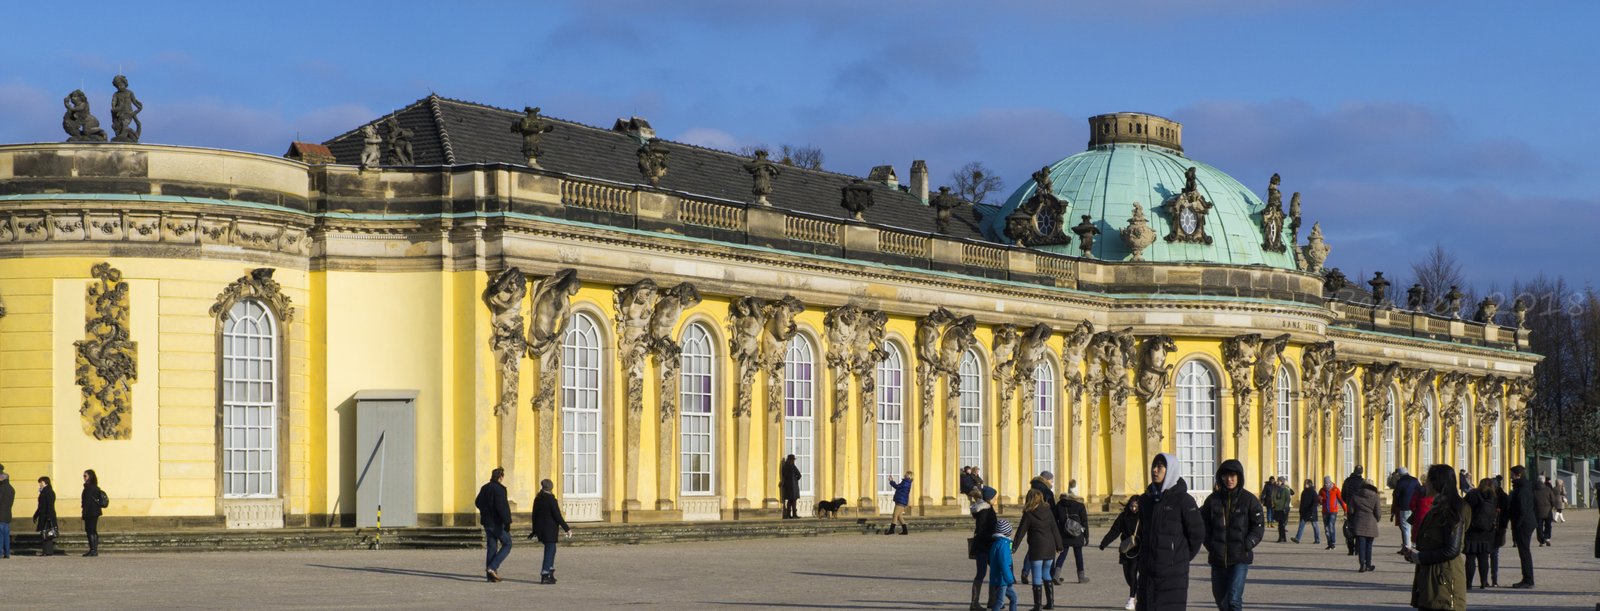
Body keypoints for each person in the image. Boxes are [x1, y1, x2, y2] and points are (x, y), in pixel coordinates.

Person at [1134, 452, 1204, 611]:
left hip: (1173, 576)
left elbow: (1197, 534)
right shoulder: (1146, 500)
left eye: (1160, 467)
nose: (1155, 471)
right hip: (1147, 572)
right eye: (1154, 466)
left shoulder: (1184, 500)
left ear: (1170, 470)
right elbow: (1143, 532)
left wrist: (1178, 558)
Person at [1200, 459, 1265, 611]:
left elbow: (1258, 526)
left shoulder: (1249, 500)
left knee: (1234, 599)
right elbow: (1202, 524)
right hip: (1218, 558)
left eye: (1232, 476)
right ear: (1221, 478)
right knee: (1221, 600)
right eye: (1226, 476)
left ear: (1239, 477)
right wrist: (1210, 544)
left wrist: (1248, 544)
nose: (1229, 479)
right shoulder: (1212, 500)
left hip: (1239, 558)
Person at [1406, 464, 1468, 611]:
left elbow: (1452, 550)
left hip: (1443, 580)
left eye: (1428, 480)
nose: (1425, 484)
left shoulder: (1453, 510)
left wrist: (1420, 557)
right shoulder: (1436, 508)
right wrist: (1413, 554)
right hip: (1430, 578)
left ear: (1436, 483)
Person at [1014, 489, 1063, 611]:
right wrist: (1059, 546)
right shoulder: (1048, 511)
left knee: (1036, 575)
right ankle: (1050, 603)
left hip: (1037, 548)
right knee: (1046, 573)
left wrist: (1013, 547)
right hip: (1050, 547)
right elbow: (1054, 529)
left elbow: (1021, 532)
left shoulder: (1028, 513)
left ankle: (1038, 605)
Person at [1098, 495, 1142, 611]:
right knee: (1128, 576)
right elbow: (1115, 530)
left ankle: (1132, 599)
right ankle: (1139, 591)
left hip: (1139, 550)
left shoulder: (1143, 517)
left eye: (1136, 507)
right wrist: (1104, 543)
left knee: (1133, 573)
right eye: (1132, 506)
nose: (1133, 509)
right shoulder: (1124, 516)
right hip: (1126, 549)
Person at [528, 478, 571, 584]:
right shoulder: (551, 500)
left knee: (552, 549)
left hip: (541, 529)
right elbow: (558, 516)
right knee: (549, 550)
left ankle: (550, 571)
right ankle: (545, 573)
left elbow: (534, 515)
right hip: (550, 530)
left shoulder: (538, 498)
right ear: (551, 488)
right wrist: (567, 528)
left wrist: (534, 530)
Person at [474, 467, 512, 582]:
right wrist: (507, 521)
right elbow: (502, 507)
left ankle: (490, 577)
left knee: (492, 547)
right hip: (497, 523)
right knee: (507, 543)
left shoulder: (485, 487)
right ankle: (492, 567)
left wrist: (485, 511)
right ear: (501, 477)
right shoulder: (499, 489)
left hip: (487, 522)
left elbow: (477, 502)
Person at [1502, 465, 1537, 588]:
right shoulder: (1524, 486)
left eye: (1511, 475)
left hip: (1523, 524)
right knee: (1524, 551)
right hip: (1527, 522)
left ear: (1517, 475)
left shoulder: (1521, 489)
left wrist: (1517, 524)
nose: (1510, 477)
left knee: (1524, 552)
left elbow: (1522, 509)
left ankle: (1528, 580)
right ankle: (1527, 579)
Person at [1462, 478, 1498, 589]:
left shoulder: (1472, 495)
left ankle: (1468, 583)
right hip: (1486, 532)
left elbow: (1463, 509)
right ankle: (1483, 582)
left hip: (1472, 530)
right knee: (1483, 558)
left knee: (1470, 558)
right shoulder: (1494, 497)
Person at [969, 486, 999, 611]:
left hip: (984, 545)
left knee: (988, 572)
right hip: (985, 545)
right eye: (995, 497)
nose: (996, 499)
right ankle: (978, 603)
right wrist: (994, 537)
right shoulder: (986, 510)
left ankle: (991, 601)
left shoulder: (986, 508)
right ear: (989, 498)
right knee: (986, 573)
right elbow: (981, 530)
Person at [1053, 484, 1089, 585]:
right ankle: (1081, 577)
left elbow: (1054, 520)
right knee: (1078, 555)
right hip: (1077, 533)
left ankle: (1056, 575)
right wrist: (1086, 536)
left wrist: (1057, 533)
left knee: (1062, 554)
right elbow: (1084, 521)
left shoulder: (1060, 504)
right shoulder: (1080, 505)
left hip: (1063, 533)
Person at [1349, 479, 1381, 572]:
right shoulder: (1375, 496)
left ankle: (1362, 564)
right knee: (1369, 545)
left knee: (1361, 545)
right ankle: (1368, 565)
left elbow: (1351, 510)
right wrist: (1377, 519)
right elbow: (1378, 512)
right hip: (1371, 522)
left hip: (1359, 522)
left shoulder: (1356, 495)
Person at [989, 519, 1019, 611]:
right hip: (1003, 579)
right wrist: (1010, 579)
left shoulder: (997, 543)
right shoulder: (1003, 544)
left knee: (1013, 598)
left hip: (1000, 578)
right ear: (1006, 532)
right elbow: (1003, 563)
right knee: (1000, 601)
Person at [1391, 467, 1421, 553]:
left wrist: (1395, 506)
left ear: (1399, 474)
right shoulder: (1415, 480)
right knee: (1413, 526)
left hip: (1404, 507)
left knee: (1406, 527)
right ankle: (1414, 543)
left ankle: (1407, 546)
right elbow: (1419, 491)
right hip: (1415, 506)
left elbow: (1396, 495)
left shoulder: (1400, 482)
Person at [1341, 466, 1366, 556]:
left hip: (1350, 507)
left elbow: (1343, 494)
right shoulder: (1362, 482)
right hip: (1359, 508)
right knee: (1359, 528)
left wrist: (1347, 502)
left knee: (1350, 528)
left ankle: (1351, 549)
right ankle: (1358, 549)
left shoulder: (1347, 481)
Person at [1490, 475, 1509, 587]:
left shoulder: (1502, 497)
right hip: (1490, 528)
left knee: (1493, 554)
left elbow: (1506, 513)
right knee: (1491, 554)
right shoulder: (1489, 496)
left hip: (1497, 528)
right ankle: (1488, 579)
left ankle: (1494, 579)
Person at [1408, 478, 1434, 551]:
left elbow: (1412, 504)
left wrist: (1416, 510)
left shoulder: (1418, 491)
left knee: (1418, 531)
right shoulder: (1435, 491)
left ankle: (1417, 544)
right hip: (1431, 513)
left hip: (1420, 513)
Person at [1318, 476, 1344, 551]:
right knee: (1326, 528)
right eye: (1325, 483)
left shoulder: (1335, 489)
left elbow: (1341, 500)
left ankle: (1333, 542)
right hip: (1325, 511)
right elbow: (1319, 501)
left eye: (1327, 483)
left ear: (1330, 482)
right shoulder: (1322, 490)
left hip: (1333, 511)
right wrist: (1319, 500)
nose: (1326, 485)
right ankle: (1329, 543)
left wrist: (1345, 510)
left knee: (1330, 525)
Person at [33, 476, 57, 557]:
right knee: (44, 534)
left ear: (45, 482)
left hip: (47, 516)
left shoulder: (49, 492)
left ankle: (47, 551)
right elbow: (40, 506)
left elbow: (50, 505)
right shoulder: (44, 492)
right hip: (43, 515)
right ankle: (46, 551)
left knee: (47, 534)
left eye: (41, 482)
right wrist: (36, 515)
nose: (40, 484)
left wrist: (49, 516)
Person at [1292, 479, 1319, 544]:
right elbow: (1302, 503)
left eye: (1306, 483)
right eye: (1304, 483)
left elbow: (1315, 502)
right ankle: (1297, 538)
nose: (1304, 484)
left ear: (1309, 484)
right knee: (1301, 525)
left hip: (1311, 511)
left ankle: (1317, 539)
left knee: (1315, 526)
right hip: (1304, 512)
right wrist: (1300, 510)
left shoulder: (1313, 492)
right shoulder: (1303, 492)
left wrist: (1312, 509)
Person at [1533, 475, 1556, 546]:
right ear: (1544, 481)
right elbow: (1552, 500)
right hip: (1548, 511)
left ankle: (1541, 540)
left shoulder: (1533, 490)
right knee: (1548, 525)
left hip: (1537, 511)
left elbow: (1531, 500)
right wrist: (1551, 506)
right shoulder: (1548, 489)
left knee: (1539, 526)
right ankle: (1547, 538)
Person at [1270, 476, 1292, 543]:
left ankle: (1282, 538)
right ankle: (1282, 537)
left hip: (1283, 509)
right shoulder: (1275, 489)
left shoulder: (1285, 489)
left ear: (1282, 482)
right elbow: (1272, 496)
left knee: (1282, 524)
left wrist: (1285, 507)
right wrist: (1273, 503)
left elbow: (1288, 499)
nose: (1278, 482)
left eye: (1279, 481)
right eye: (1278, 481)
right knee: (1280, 524)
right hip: (1277, 508)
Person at [780, 454, 801, 519]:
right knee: (794, 501)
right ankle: (794, 514)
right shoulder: (793, 466)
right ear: (792, 460)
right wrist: (795, 480)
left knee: (789, 501)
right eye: (793, 460)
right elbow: (799, 475)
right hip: (793, 487)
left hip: (787, 487)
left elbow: (783, 476)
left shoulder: (784, 467)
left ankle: (788, 514)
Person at [0, 465, 13, 559]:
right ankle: (7, 553)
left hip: (0, 514)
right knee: (6, 535)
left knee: (0, 536)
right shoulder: (11, 488)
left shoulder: (1, 488)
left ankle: (0, 552)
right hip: (7, 514)